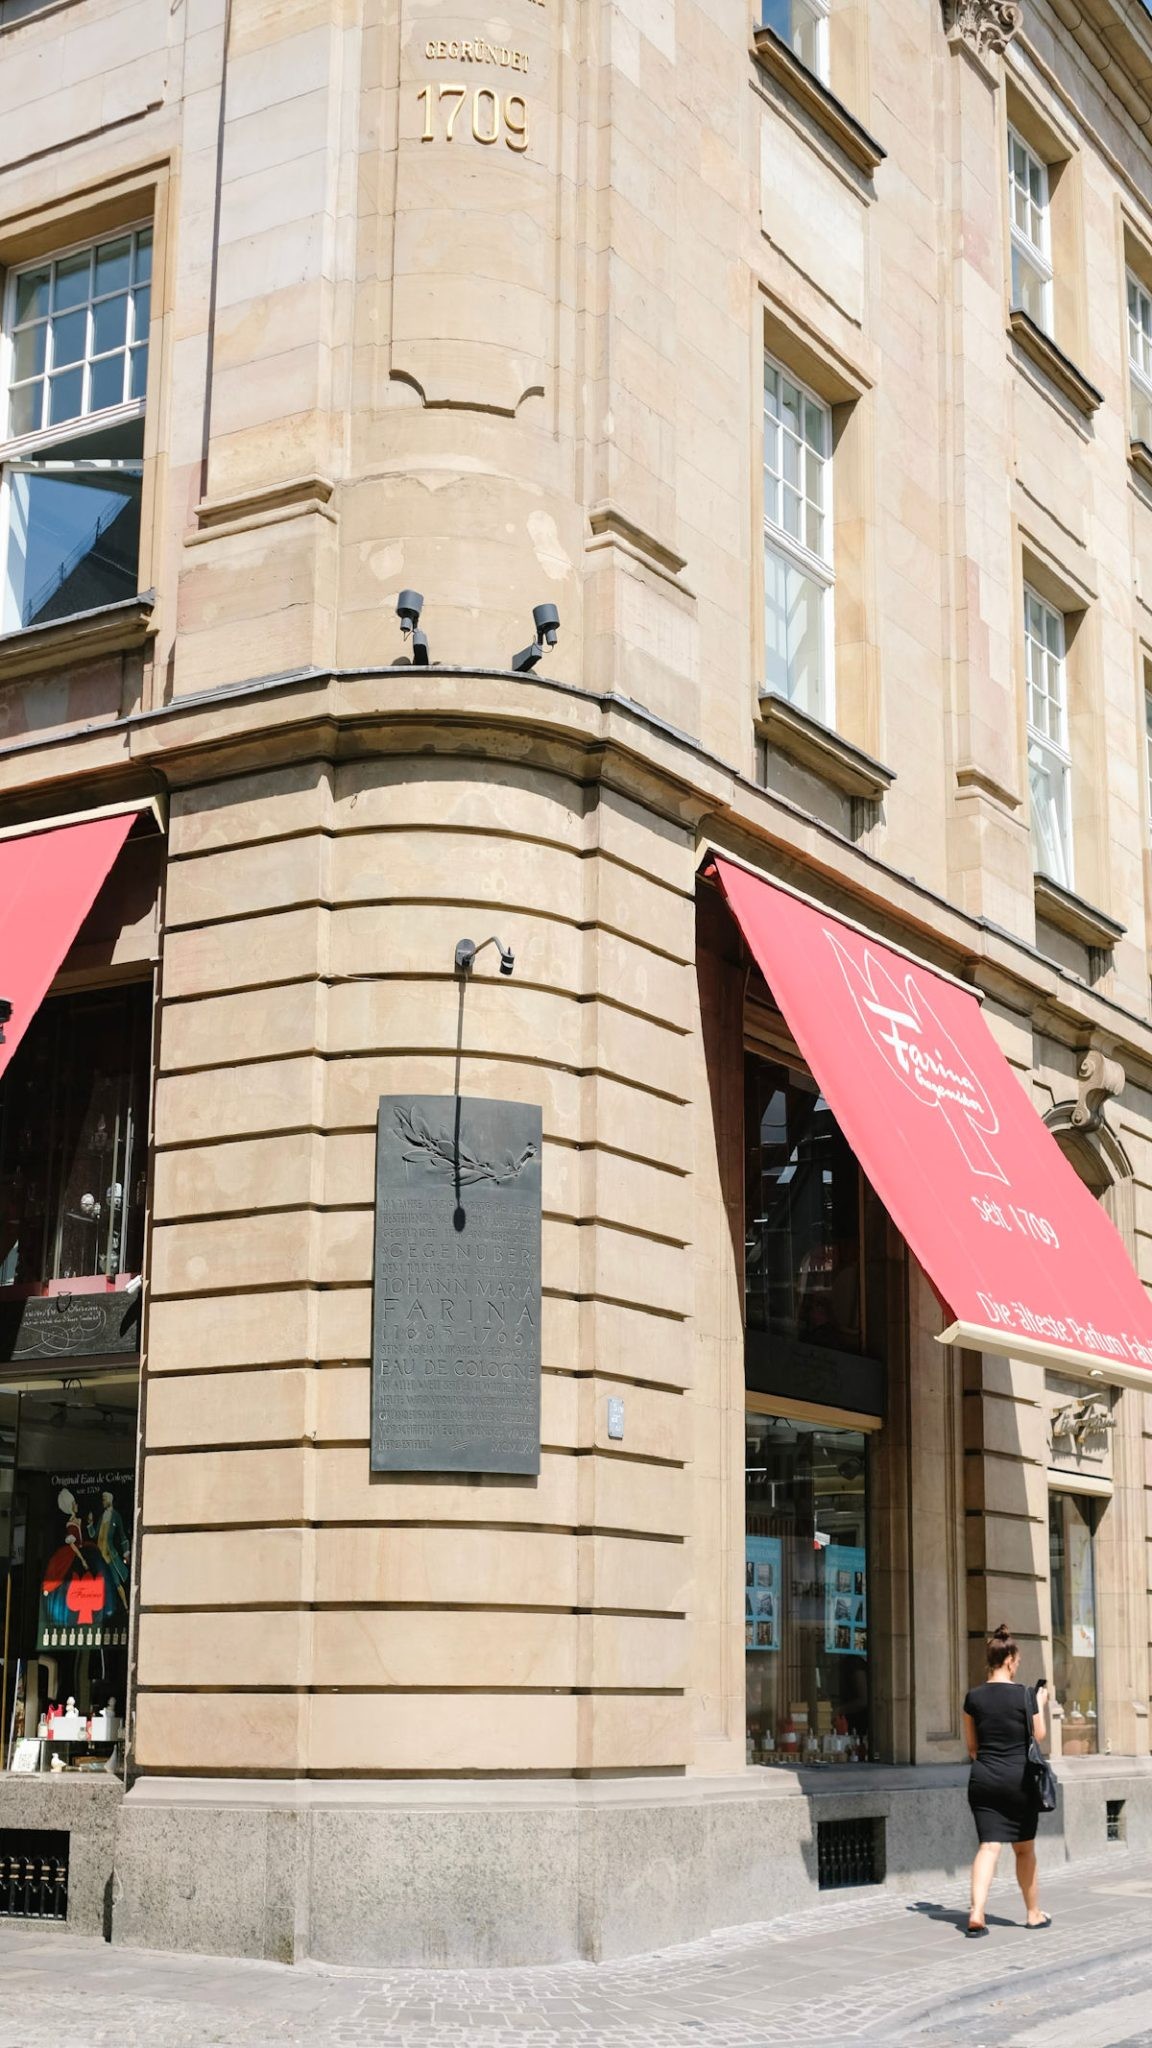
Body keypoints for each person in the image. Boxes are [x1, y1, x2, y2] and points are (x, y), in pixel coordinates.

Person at [962, 1622, 1050, 1936]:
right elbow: (1038, 1735)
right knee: (1024, 1850)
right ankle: (1033, 1913)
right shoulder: (1026, 1695)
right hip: (1019, 1781)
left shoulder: (973, 1697)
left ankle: (976, 1913)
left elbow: (972, 1747)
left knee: (988, 1847)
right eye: (1018, 1661)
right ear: (1010, 1660)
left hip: (984, 1779)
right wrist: (1040, 1703)